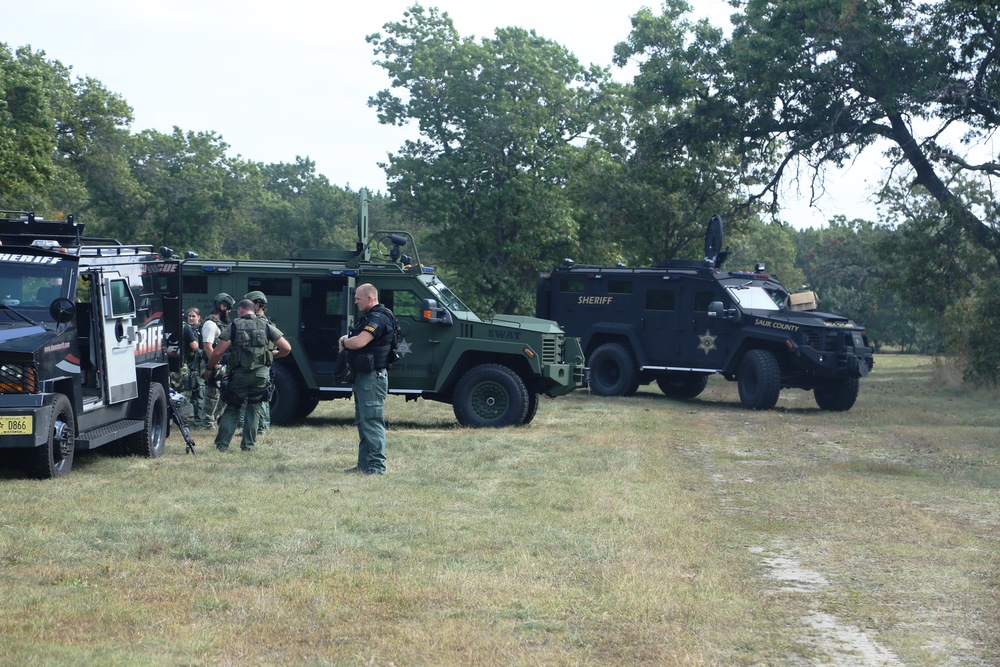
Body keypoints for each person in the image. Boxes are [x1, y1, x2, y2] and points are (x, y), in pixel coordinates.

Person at [205, 299, 290, 452]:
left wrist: (209, 368)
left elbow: (217, 352)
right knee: (254, 408)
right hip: (261, 376)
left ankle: (222, 446)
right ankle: (248, 446)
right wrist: (274, 354)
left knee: (233, 408)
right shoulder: (266, 325)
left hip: (240, 375)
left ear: (241, 310)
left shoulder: (234, 326)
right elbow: (287, 348)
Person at [338, 283, 395, 476]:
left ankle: (377, 467)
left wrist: (344, 342)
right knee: (363, 421)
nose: (355, 301)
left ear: (370, 298)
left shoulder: (378, 318)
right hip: (364, 376)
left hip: (372, 377)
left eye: (358, 298)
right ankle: (364, 465)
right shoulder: (371, 317)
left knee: (371, 420)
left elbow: (361, 341)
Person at [200, 293, 235, 430]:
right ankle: (207, 424)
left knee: (223, 394)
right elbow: (208, 347)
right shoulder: (210, 324)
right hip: (213, 364)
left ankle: (214, 421)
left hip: (221, 364)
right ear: (221, 307)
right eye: (228, 309)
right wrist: (215, 366)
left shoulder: (221, 324)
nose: (229, 311)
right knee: (212, 395)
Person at [184, 307, 207, 428]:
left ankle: (199, 422)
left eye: (194, 316)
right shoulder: (185, 328)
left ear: (199, 317)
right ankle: (188, 421)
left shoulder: (202, 329)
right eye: (189, 316)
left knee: (200, 395)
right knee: (187, 394)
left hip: (199, 365)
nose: (191, 318)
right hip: (187, 365)